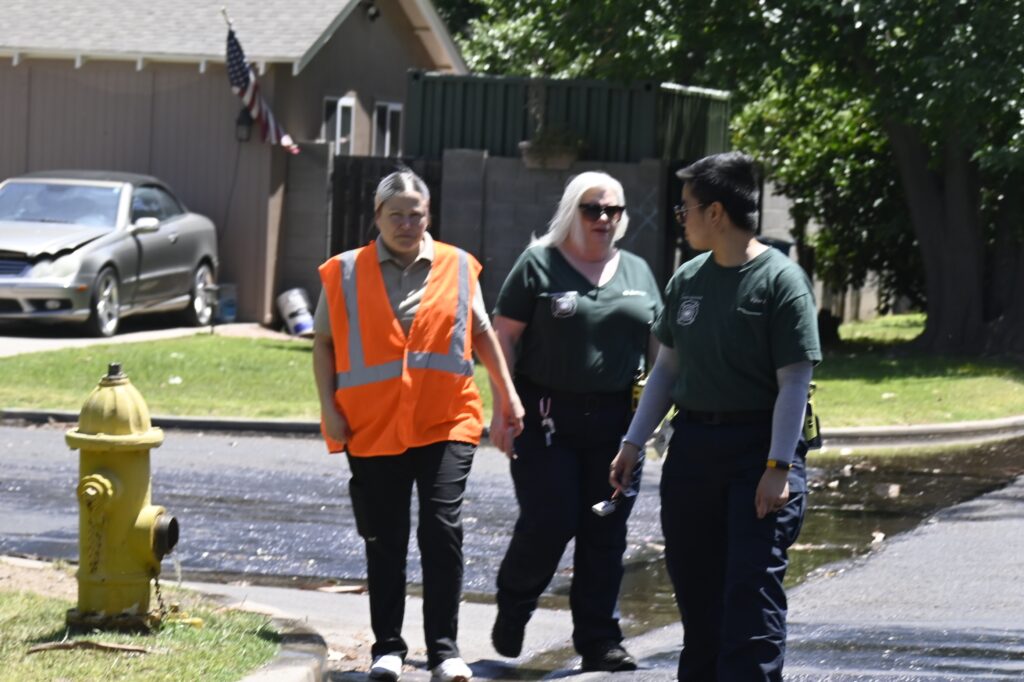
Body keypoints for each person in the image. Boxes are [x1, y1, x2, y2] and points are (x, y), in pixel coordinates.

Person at [610, 152, 821, 681]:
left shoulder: (781, 281)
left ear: (716, 213)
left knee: (749, 598)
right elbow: (666, 370)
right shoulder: (688, 279)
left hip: (759, 451)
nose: (681, 218)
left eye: (686, 208)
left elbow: (795, 381)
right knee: (699, 600)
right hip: (694, 451)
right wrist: (633, 443)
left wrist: (777, 467)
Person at [311, 169, 524, 682]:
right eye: (396, 215)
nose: (407, 224)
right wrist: (329, 408)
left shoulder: (458, 265)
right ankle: (388, 648)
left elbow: (482, 332)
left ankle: (444, 651)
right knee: (385, 537)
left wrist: (507, 395)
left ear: (429, 216)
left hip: (445, 418)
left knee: (441, 528)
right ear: (377, 217)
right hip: (372, 424)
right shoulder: (344, 271)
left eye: (416, 214)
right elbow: (324, 343)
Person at [488, 171, 662, 672]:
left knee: (605, 530)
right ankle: (516, 601)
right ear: (572, 211)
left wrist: (658, 416)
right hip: (546, 416)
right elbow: (502, 337)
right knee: (551, 519)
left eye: (613, 210)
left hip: (617, 422)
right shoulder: (538, 264)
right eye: (592, 209)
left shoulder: (637, 271)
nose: (603, 218)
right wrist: (502, 406)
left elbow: (660, 347)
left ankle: (599, 639)